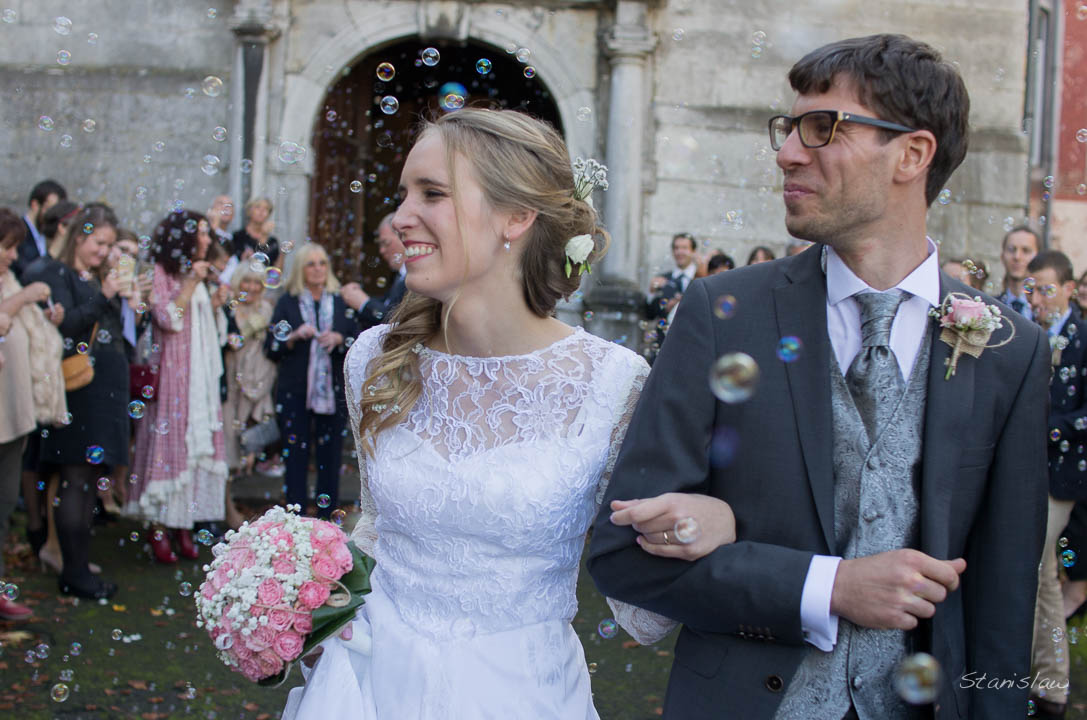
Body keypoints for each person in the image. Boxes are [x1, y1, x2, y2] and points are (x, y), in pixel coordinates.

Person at [589, 33, 1049, 719]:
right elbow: (622, 552)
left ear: (911, 154)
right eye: (788, 127)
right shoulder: (724, 313)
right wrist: (823, 586)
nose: (786, 151)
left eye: (821, 127)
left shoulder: (1010, 349)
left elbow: (1002, 605)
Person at [282, 108, 734, 719]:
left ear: (517, 217)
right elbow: (378, 525)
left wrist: (703, 528)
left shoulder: (611, 382)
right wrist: (312, 594)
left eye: (433, 194)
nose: (400, 218)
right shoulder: (372, 360)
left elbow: (643, 615)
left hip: (522, 691)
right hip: (366, 683)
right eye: (402, 195)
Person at [22, 204, 127, 600]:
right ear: (79, 235)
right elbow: (67, 329)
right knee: (76, 480)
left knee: (84, 485)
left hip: (102, 392)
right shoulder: (55, 271)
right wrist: (106, 294)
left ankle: (79, 569)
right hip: (79, 392)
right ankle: (74, 573)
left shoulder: (92, 275)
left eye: (110, 245)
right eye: (100, 242)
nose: (105, 251)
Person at [126, 210, 228, 564]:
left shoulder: (201, 273)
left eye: (206, 233)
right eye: (200, 233)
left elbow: (203, 324)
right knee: (169, 444)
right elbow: (168, 319)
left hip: (198, 371)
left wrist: (214, 303)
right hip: (172, 373)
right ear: (181, 237)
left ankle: (183, 524)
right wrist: (189, 284)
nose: (206, 239)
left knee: (194, 444)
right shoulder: (161, 273)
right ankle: (158, 525)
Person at [1025, 250, 1087, 719]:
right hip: (1022, 469)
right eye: (1032, 288)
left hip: (1061, 475)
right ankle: (1048, 681)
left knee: (1038, 568)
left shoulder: (1083, 339)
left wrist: (1051, 427)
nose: (1038, 298)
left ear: (1069, 289)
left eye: (1047, 288)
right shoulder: (1023, 332)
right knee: (1042, 575)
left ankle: (1051, 682)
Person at [0, 208, 65, 619]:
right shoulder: (13, 285)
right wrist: (24, 297)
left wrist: (44, 319)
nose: (12, 255)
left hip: (14, 414)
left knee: (3, 507)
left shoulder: (8, 277)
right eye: (6, 247)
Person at [265, 242, 357, 518]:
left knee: (330, 456)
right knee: (295, 455)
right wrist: (293, 336)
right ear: (300, 270)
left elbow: (359, 338)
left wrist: (340, 338)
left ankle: (328, 522)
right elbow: (270, 347)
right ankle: (295, 519)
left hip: (333, 391)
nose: (318, 269)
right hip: (295, 392)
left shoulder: (340, 301)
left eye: (322, 263)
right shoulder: (288, 302)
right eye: (311, 263)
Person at [221, 265, 276, 483]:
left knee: (251, 430)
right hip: (230, 379)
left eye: (257, 282)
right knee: (227, 435)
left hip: (257, 380)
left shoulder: (266, 309)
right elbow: (231, 344)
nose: (252, 288)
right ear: (237, 282)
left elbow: (239, 341)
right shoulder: (228, 308)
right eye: (246, 281)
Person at [341, 213, 408, 330]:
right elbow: (386, 305)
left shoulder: (416, 278)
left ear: (404, 237)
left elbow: (395, 319)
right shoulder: (400, 276)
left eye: (386, 243)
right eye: (380, 244)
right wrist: (357, 296)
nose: (381, 250)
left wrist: (364, 303)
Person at [645, 232, 699, 358]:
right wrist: (651, 293)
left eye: (684, 248)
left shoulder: (700, 279)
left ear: (693, 251)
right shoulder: (663, 279)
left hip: (691, 346)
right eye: (676, 248)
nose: (679, 252)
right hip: (664, 346)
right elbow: (650, 314)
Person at [13, 179, 67, 279]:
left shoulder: (46, 234)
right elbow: (27, 273)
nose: (55, 217)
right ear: (35, 205)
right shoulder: (18, 234)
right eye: (51, 210)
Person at [998, 224, 1040, 319]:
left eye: (1026, 251)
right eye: (1011, 249)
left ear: (1038, 257)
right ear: (1002, 256)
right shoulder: (991, 307)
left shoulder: (1044, 310)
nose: (1017, 257)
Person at [231, 197, 280, 268]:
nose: (262, 211)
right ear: (249, 211)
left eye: (266, 209)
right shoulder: (238, 236)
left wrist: (283, 253)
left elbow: (275, 268)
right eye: (258, 207)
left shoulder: (273, 242)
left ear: (269, 214)